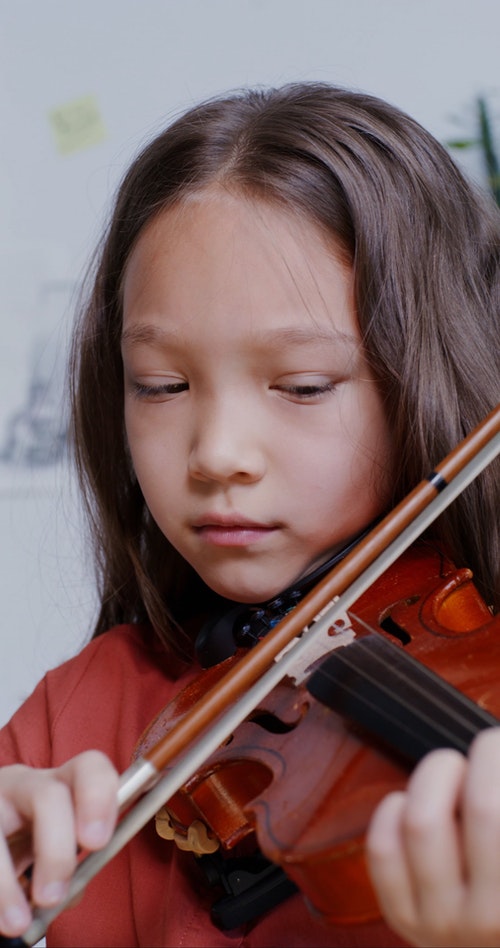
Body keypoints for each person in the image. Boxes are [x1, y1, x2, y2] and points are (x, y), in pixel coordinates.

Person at [0, 81, 498, 948]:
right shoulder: (80, 718)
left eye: (302, 386)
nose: (216, 452)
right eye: (162, 385)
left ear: (430, 378)